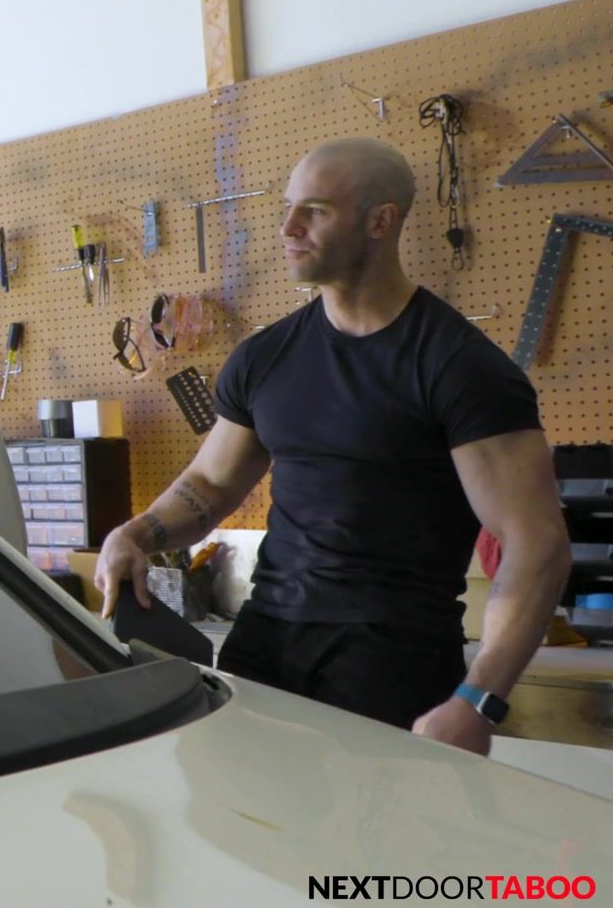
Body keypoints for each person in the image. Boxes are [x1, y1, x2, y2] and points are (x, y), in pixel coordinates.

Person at [95, 137, 570, 755]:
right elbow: (210, 485)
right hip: (264, 644)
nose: (288, 227)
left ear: (381, 222)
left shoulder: (458, 367)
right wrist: (135, 534)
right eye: (288, 208)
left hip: (391, 661)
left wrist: (477, 701)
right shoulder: (264, 358)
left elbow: (536, 545)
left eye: (314, 211)